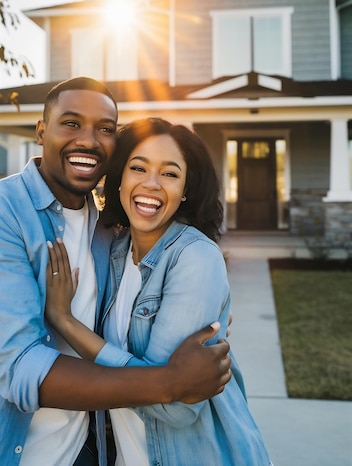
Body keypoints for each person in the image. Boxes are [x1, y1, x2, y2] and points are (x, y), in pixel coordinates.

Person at [0, 79, 231, 466]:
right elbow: (20, 368)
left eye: (105, 129)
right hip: (22, 451)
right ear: (42, 131)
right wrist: (170, 382)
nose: (89, 141)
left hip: (90, 450)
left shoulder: (110, 232)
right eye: (71, 123)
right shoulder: (9, 212)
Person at [45, 117, 273, 466]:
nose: (151, 184)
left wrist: (65, 322)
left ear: (185, 190)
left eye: (170, 173)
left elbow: (175, 407)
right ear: (119, 178)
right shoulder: (114, 251)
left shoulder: (195, 258)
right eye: (138, 168)